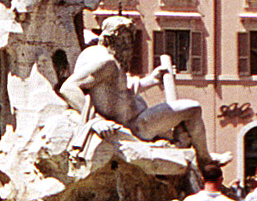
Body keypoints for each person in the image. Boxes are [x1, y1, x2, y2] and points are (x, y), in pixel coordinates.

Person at [59, 16, 230, 170]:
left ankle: (198, 155)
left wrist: (152, 79)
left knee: (181, 129)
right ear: (111, 39)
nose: (130, 45)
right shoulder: (106, 62)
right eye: (125, 39)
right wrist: (95, 121)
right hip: (137, 126)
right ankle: (205, 159)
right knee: (193, 108)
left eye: (130, 39)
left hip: (135, 118)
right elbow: (68, 88)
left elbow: (118, 94)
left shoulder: (104, 57)